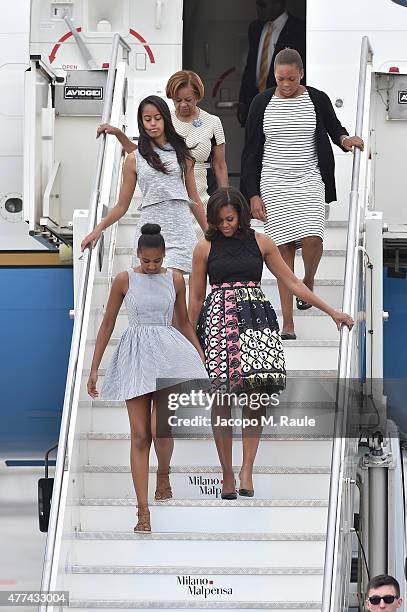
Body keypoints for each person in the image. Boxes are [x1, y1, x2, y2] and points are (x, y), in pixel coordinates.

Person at [188, 186, 354, 499]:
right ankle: (226, 474)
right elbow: (195, 297)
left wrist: (331, 311)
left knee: (257, 396)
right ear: (211, 220)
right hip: (219, 323)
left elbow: (291, 281)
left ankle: (246, 469)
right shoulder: (204, 247)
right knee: (221, 399)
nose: (226, 225)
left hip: (256, 321)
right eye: (220, 220)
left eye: (231, 218)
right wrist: (190, 338)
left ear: (241, 215)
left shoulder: (261, 241)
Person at [87, 224, 208, 532]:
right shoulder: (124, 280)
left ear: (163, 255)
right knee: (140, 435)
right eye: (147, 261)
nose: (152, 266)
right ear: (137, 254)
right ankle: (143, 511)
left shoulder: (176, 279)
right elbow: (108, 324)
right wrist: (93, 368)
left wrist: (200, 355)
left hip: (169, 353)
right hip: (135, 355)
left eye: (156, 261)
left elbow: (183, 321)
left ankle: (163, 473)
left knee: (160, 431)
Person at [241, 48, 364, 340]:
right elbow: (250, 152)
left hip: (309, 178)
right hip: (274, 181)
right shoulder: (261, 102)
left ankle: (308, 279)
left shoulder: (316, 98)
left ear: (301, 74)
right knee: (282, 249)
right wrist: (253, 194)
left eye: (291, 79)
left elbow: (336, 131)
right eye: (280, 79)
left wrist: (347, 140)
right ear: (274, 76)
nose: (285, 85)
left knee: (312, 238)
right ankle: (288, 322)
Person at [81, 95, 207, 274]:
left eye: (157, 118)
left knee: (173, 284)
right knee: (152, 289)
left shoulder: (182, 154)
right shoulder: (134, 159)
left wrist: (209, 233)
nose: (153, 123)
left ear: (165, 119)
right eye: (147, 119)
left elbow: (194, 198)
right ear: (141, 122)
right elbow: (122, 206)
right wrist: (98, 229)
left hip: (180, 229)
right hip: (150, 230)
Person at [98, 70, 229, 237]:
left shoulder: (213, 122)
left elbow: (220, 165)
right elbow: (144, 156)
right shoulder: (163, 120)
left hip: (202, 194)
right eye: (177, 100)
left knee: (205, 245)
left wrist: (225, 198)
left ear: (197, 96)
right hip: (172, 198)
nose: (182, 105)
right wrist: (120, 135)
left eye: (188, 100)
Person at [238, 0, 306, 127]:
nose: (258, 9)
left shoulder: (299, 29)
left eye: (263, 4)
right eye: (257, 4)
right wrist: (243, 100)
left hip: (284, 102)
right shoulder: (256, 27)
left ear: (279, 4)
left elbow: (301, 70)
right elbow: (251, 66)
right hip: (256, 101)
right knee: (254, 144)